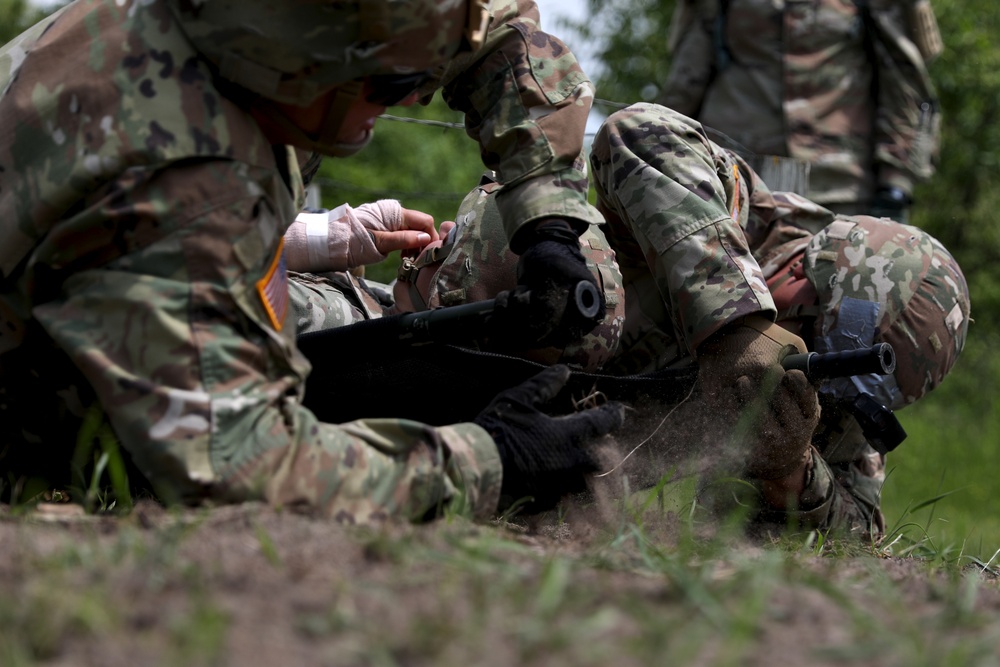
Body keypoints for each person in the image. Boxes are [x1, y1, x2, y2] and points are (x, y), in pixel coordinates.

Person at [0, 0, 623, 521]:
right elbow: (234, 461)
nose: (394, 109)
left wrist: (547, 221)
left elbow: (491, 31)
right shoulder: (185, 184)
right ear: (307, 69)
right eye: (394, 87)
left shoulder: (244, 21)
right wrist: (486, 460)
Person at [392, 102, 970, 539]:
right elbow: (637, 129)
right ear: (803, 264)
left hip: (521, 461)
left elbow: (860, 527)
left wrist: (791, 470)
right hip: (435, 331)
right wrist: (739, 326)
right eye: (810, 327)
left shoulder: (840, 389)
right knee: (591, 292)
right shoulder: (735, 207)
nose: (807, 356)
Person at [659, 0, 944, 224]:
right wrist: (660, 155)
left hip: (838, 187)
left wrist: (896, 186)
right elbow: (687, 78)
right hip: (733, 183)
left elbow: (904, 83)